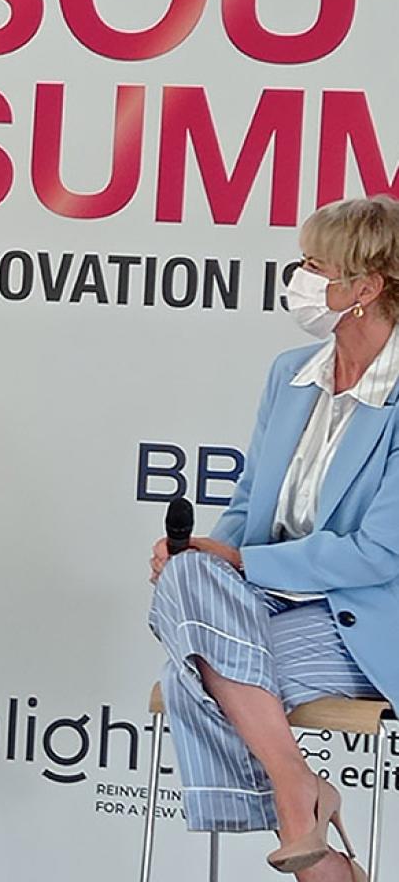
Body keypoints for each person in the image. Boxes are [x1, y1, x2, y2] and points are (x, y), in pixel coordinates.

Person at [149, 196, 399, 882]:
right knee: (185, 579)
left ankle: (304, 815)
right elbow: (245, 508)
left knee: (195, 671)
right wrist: (207, 556)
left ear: (365, 287)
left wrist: (238, 560)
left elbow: (379, 554)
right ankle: (300, 792)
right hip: (263, 603)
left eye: (315, 266)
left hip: (360, 615)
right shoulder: (290, 375)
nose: (300, 279)